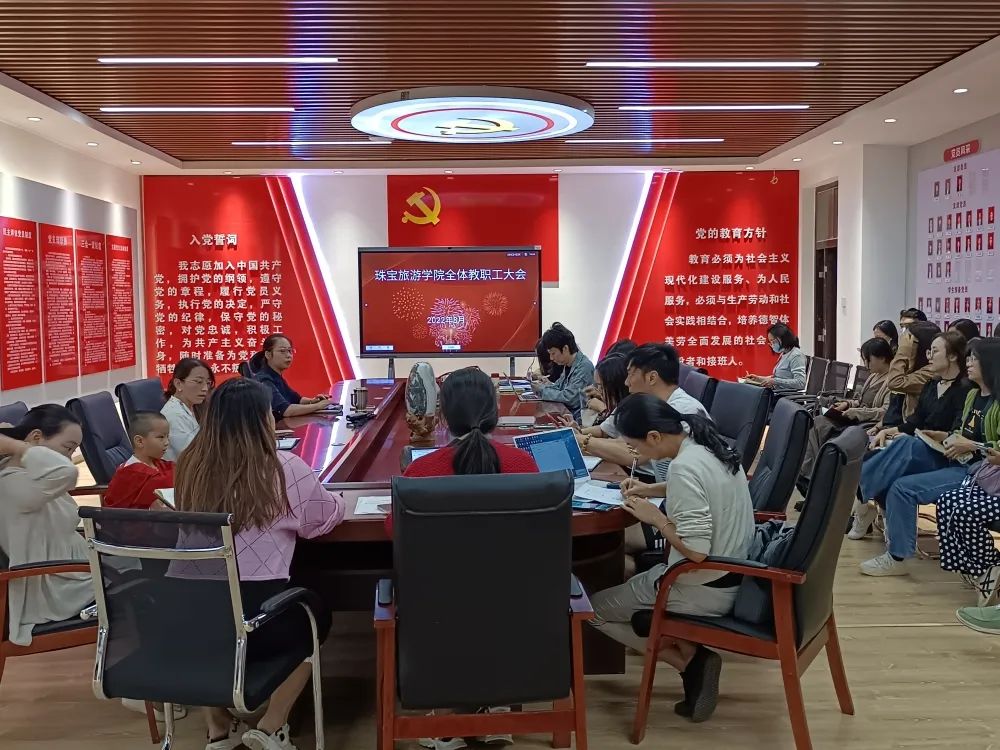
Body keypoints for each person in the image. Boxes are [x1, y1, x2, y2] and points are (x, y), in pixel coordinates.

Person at [174, 378, 345, 750]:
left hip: (190, 612)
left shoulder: (189, 464)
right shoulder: (284, 466)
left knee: (211, 631)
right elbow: (321, 520)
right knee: (312, 619)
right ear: (262, 419)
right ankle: (271, 727)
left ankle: (218, 728)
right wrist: (339, 500)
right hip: (259, 616)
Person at [386, 367, 538, 750]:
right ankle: (497, 705)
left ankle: (450, 717)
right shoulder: (523, 465)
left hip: (438, 610)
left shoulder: (421, 469)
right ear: (495, 412)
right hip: (516, 607)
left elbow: (394, 529)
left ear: (443, 415)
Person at [589, 394, 754, 723]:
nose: (636, 454)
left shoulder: (683, 468)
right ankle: (689, 651)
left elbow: (696, 551)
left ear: (654, 436)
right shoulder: (705, 443)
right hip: (735, 572)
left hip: (699, 584)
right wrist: (649, 490)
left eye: (635, 446)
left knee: (590, 611)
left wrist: (656, 519)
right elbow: (703, 488)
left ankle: (689, 661)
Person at [855, 331, 986, 577]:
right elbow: (916, 421)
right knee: (897, 477)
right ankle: (897, 555)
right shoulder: (932, 384)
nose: (929, 356)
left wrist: (942, 436)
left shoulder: (967, 391)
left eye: (934, 351)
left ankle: (856, 487)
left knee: (907, 447)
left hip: (955, 461)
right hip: (933, 451)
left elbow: (961, 434)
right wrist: (891, 430)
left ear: (952, 356)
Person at [0, 406, 92, 646]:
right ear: (36, 436)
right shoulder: (14, 483)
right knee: (152, 579)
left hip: (74, 572)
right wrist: (19, 446)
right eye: (67, 448)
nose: (69, 457)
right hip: (58, 588)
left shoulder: (32, 478)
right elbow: (67, 472)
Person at [579, 344, 708, 494]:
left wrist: (583, 441)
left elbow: (633, 454)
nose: (626, 382)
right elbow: (625, 443)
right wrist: (648, 490)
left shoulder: (678, 409)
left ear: (651, 377)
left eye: (630, 374)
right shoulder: (651, 405)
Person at [933, 339, 1000, 603]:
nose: (968, 363)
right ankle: (976, 569)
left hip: (992, 479)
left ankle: (989, 566)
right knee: (946, 502)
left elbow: (994, 449)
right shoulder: (972, 396)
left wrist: (972, 446)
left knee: (963, 510)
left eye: (975, 359)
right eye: (968, 358)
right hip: (981, 475)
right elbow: (963, 432)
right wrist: (949, 439)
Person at [799, 337, 894, 482]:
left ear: (882, 358)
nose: (866, 364)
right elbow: (860, 401)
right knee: (818, 423)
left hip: (867, 423)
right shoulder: (873, 376)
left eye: (868, 360)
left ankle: (816, 476)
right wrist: (846, 404)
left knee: (825, 430)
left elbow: (885, 411)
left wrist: (856, 412)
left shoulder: (892, 381)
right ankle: (810, 473)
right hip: (854, 417)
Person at [103, 411, 174, 510]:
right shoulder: (129, 474)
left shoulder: (163, 465)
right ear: (140, 441)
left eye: (167, 437)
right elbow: (115, 511)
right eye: (161, 437)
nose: (167, 442)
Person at [253, 334, 333, 420]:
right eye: (282, 351)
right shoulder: (264, 379)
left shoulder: (276, 376)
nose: (288, 355)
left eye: (290, 351)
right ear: (268, 354)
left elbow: (297, 400)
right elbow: (287, 411)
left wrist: (313, 401)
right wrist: (318, 406)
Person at [531, 323, 595, 421]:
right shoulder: (568, 364)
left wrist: (542, 390)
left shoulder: (584, 367)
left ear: (565, 349)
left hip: (578, 420)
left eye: (553, 353)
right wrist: (543, 386)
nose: (551, 358)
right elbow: (558, 387)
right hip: (566, 415)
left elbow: (570, 398)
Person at [881, 321, 941, 424]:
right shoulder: (915, 367)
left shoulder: (932, 372)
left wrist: (903, 351)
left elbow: (895, 382)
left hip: (914, 429)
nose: (903, 343)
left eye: (908, 341)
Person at [161, 357, 214, 461]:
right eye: (198, 382)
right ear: (178, 384)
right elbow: (195, 457)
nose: (205, 388)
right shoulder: (174, 415)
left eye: (208, 383)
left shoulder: (195, 407)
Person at [746, 323, 807, 392]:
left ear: (783, 338)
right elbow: (778, 377)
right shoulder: (784, 353)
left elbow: (800, 383)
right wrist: (758, 378)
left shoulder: (796, 356)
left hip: (785, 395)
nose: (772, 345)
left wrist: (775, 381)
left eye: (773, 341)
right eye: (770, 342)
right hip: (777, 391)